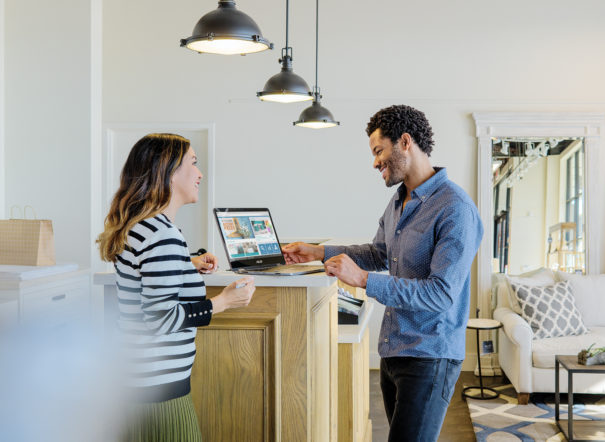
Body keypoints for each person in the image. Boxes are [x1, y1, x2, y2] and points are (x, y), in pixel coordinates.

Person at [283, 105, 483, 441]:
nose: (375, 162)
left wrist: (363, 280)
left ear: (405, 142)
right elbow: (379, 253)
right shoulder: (398, 201)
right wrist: (318, 252)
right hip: (393, 353)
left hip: (429, 356)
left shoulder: (455, 208)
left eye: (379, 151)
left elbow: (441, 294)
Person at [97, 133, 256, 442]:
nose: (199, 174)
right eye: (193, 164)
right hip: (159, 392)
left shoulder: (142, 227)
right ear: (167, 172)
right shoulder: (162, 235)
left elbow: (144, 280)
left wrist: (186, 263)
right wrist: (224, 301)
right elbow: (161, 319)